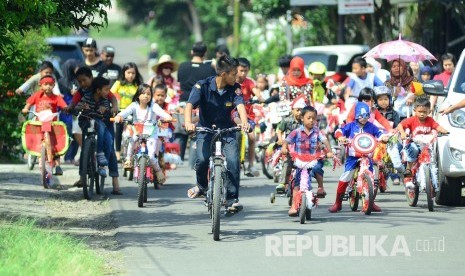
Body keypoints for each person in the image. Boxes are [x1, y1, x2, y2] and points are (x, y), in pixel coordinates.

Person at [184, 55, 250, 214]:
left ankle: (232, 199)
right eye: (234, 73)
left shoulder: (235, 88)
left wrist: (245, 122)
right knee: (202, 159)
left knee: (234, 161)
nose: (237, 77)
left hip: (227, 131)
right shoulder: (202, 86)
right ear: (223, 74)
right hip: (206, 130)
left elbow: (240, 106)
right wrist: (188, 123)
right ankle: (202, 186)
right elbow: (189, 105)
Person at [328, 102, 388, 213]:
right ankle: (338, 202)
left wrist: (384, 137)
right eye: (361, 116)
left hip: (367, 157)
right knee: (346, 176)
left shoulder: (371, 126)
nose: (364, 119)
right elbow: (339, 131)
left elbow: (380, 132)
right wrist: (340, 137)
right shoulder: (350, 126)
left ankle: (370, 201)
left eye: (366, 116)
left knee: (373, 177)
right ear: (356, 116)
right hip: (353, 156)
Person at [114, 84, 172, 184]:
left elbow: (161, 112)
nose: (146, 96)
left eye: (148, 94)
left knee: (152, 157)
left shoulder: (153, 106)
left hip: (151, 134)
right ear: (138, 95)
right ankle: (128, 159)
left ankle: (158, 171)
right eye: (143, 93)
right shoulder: (134, 105)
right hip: (138, 132)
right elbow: (125, 112)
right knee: (131, 141)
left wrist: (167, 117)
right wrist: (119, 116)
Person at [281, 105, 334, 216]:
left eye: (314, 118)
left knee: (317, 168)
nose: (311, 120)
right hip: (299, 160)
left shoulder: (317, 132)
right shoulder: (297, 131)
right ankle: (294, 206)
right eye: (309, 118)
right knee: (297, 183)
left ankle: (320, 187)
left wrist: (329, 151)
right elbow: (287, 140)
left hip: (313, 159)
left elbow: (324, 140)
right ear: (302, 118)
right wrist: (284, 148)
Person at [75, 77, 122, 194]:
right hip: (87, 122)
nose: (108, 92)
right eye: (106, 90)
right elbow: (76, 107)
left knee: (109, 141)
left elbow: (111, 108)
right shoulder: (86, 97)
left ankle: (102, 162)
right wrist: (81, 107)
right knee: (97, 127)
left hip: (103, 123)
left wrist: (107, 110)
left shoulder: (106, 100)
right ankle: (96, 157)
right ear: (98, 90)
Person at [397, 97, 448, 189]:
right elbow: (400, 125)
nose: (422, 114)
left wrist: (444, 130)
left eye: (425, 112)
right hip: (414, 143)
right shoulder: (412, 120)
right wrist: (403, 133)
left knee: (432, 157)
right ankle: (408, 175)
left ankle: (431, 180)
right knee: (414, 151)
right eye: (420, 111)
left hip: (426, 145)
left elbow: (437, 126)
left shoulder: (430, 120)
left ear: (429, 111)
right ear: (415, 110)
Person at [177, 42, 216, 161]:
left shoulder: (182, 66)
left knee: (182, 134)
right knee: (199, 133)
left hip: (184, 103)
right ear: (205, 53)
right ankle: (195, 163)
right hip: (201, 103)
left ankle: (179, 160)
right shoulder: (209, 68)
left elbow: (179, 83)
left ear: (192, 52)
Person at [21, 75, 67, 176]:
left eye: (51, 84)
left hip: (52, 124)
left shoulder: (56, 97)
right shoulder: (37, 95)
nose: (48, 87)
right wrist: (26, 108)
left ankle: (58, 165)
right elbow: (29, 103)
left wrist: (66, 108)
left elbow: (63, 105)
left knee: (56, 143)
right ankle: (36, 154)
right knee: (36, 139)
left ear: (54, 85)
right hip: (40, 123)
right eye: (46, 84)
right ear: (40, 85)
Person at [112, 62, 144, 161]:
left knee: (136, 132)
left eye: (133, 73)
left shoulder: (138, 85)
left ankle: (134, 151)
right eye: (128, 72)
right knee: (118, 129)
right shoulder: (118, 84)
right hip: (120, 110)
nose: (131, 75)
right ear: (124, 73)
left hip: (133, 112)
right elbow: (110, 94)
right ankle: (117, 153)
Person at [234, 57, 260, 177]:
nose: (243, 73)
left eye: (246, 71)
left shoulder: (249, 82)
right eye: (241, 70)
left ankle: (251, 165)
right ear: (236, 69)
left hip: (248, 116)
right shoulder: (232, 81)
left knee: (252, 137)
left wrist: (260, 98)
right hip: (233, 115)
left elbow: (257, 93)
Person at [275, 95, 306, 193]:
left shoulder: (306, 121)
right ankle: (282, 183)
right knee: (287, 163)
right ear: (292, 110)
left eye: (302, 110)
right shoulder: (287, 120)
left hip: (302, 147)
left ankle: (305, 185)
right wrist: (280, 139)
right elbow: (279, 130)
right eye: (297, 110)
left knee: (307, 166)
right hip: (289, 147)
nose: (300, 112)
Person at [373, 86, 401, 185]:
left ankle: (395, 176)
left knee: (392, 155)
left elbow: (398, 126)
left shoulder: (394, 113)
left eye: (386, 99)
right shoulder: (374, 113)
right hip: (377, 137)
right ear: (375, 101)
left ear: (390, 100)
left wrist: (395, 132)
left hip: (390, 137)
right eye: (380, 99)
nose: (383, 102)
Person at [58, 59, 81, 164]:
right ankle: (67, 156)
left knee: (76, 133)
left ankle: (71, 156)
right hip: (65, 110)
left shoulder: (78, 81)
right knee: (67, 133)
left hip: (75, 110)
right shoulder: (61, 81)